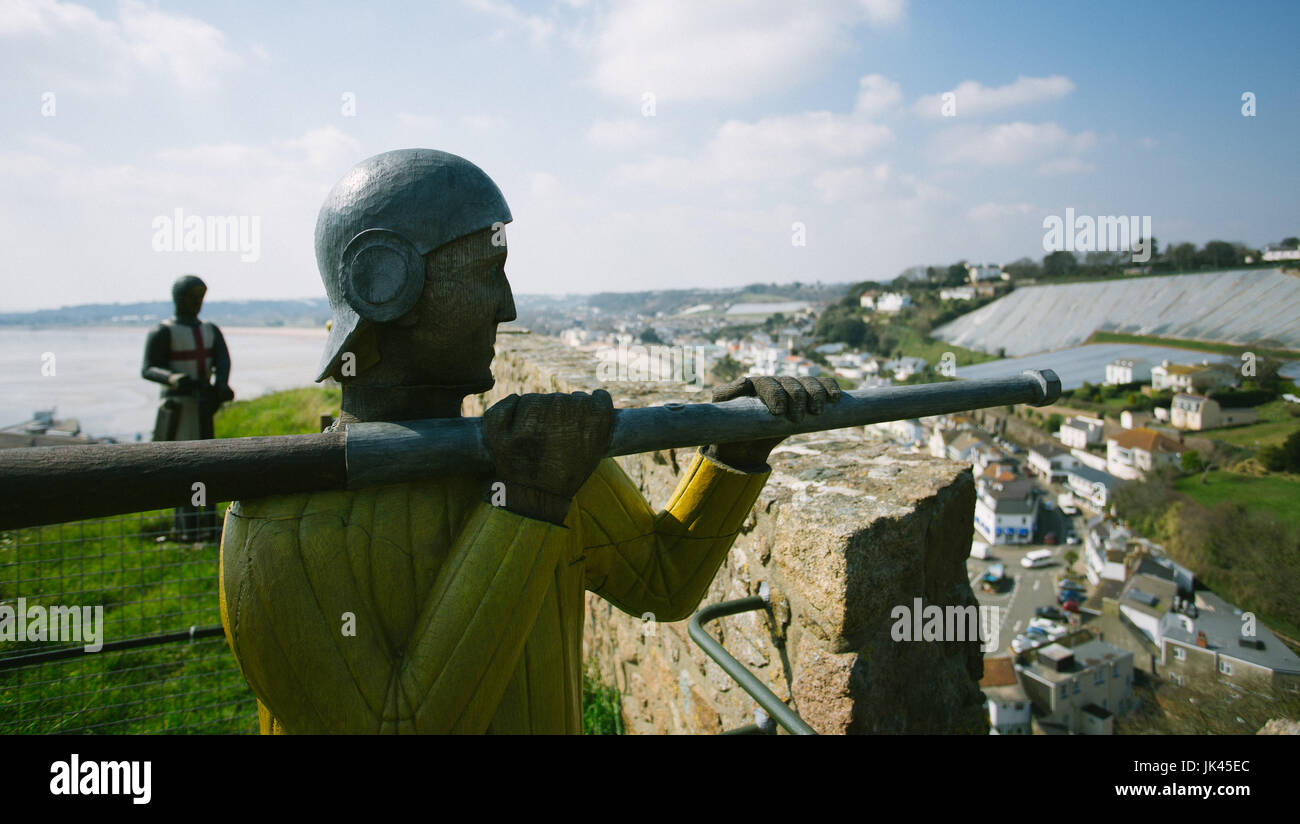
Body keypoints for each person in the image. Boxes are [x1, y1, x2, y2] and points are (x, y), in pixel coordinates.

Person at [218, 149, 839, 733]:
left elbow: (661, 581)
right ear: (387, 283)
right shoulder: (280, 530)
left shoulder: (536, 458)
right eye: (491, 273)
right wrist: (527, 505)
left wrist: (734, 453)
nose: (508, 307)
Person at [141, 274, 234, 541]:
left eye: (200, 298)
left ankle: (207, 521)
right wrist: (173, 378)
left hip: (204, 406)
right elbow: (148, 368)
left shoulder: (209, 330)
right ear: (179, 298)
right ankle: (186, 525)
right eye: (192, 298)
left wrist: (221, 385)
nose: (197, 303)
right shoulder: (163, 331)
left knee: (207, 463)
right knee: (183, 465)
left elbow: (223, 360)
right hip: (178, 409)